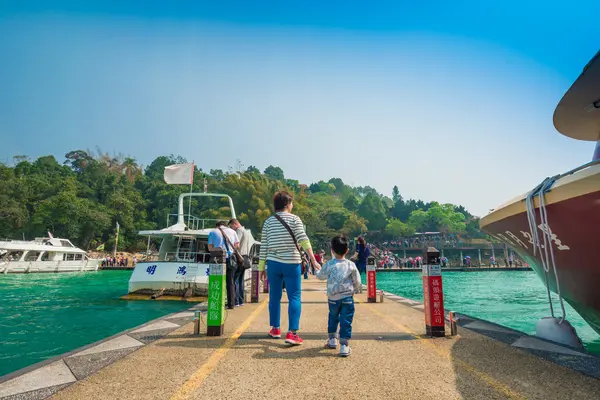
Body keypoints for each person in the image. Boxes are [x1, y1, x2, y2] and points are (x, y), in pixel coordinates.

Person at [258, 190, 319, 345]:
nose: (292, 206)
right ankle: (292, 333)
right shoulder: (295, 219)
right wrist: (313, 259)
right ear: (287, 204)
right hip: (292, 262)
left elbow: (263, 247)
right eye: (291, 203)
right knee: (294, 297)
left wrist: (260, 268)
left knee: (274, 297)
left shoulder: (268, 222)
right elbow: (303, 240)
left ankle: (275, 329)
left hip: (272, 263)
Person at [314, 234, 362, 357]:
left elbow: (320, 276)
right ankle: (344, 346)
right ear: (347, 250)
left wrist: (317, 269)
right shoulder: (351, 265)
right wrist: (355, 290)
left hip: (333, 298)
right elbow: (358, 282)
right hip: (347, 298)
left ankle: (332, 340)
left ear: (332, 250)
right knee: (346, 321)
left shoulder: (329, 264)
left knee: (333, 317)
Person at [208, 221, 240, 310]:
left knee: (217, 281)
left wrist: (218, 248)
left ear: (217, 226)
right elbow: (237, 245)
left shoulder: (212, 232)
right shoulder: (233, 232)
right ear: (224, 225)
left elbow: (210, 248)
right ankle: (231, 304)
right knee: (230, 282)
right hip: (230, 259)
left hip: (218, 259)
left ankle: (217, 302)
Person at [228, 218, 250, 307]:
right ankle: (241, 301)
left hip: (239, 257)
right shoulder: (246, 231)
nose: (232, 229)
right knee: (240, 280)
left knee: (235, 280)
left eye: (231, 227)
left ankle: (235, 301)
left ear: (235, 224)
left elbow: (236, 244)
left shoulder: (239, 231)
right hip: (245, 257)